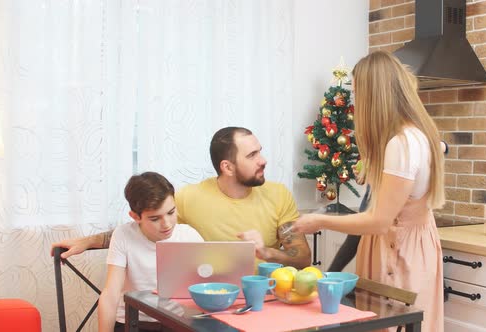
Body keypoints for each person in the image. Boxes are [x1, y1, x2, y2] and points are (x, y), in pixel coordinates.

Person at [292, 51, 445, 332]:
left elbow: (379, 221)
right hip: (408, 247)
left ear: (374, 95)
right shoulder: (415, 135)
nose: (355, 101)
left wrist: (319, 220)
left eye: (358, 91)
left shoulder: (401, 144)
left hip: (398, 254)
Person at [51, 127, 311, 269]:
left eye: (260, 152)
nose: (263, 160)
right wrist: (88, 241)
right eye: (252, 155)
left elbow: (302, 257)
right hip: (213, 307)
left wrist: (265, 253)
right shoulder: (189, 197)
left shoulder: (278, 194)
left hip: (270, 302)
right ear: (227, 167)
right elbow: (145, 223)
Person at [98, 172, 203, 332]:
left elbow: (209, 287)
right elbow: (111, 293)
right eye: (155, 219)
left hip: (177, 323)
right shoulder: (123, 235)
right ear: (135, 216)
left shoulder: (189, 235)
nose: (167, 224)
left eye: (171, 212)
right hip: (134, 322)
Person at [327, 142, 448, 272]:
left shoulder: (402, 142)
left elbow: (444, 146)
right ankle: (329, 278)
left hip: (395, 211)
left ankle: (328, 277)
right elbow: (367, 177)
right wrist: (364, 174)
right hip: (373, 201)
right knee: (356, 241)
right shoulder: (380, 142)